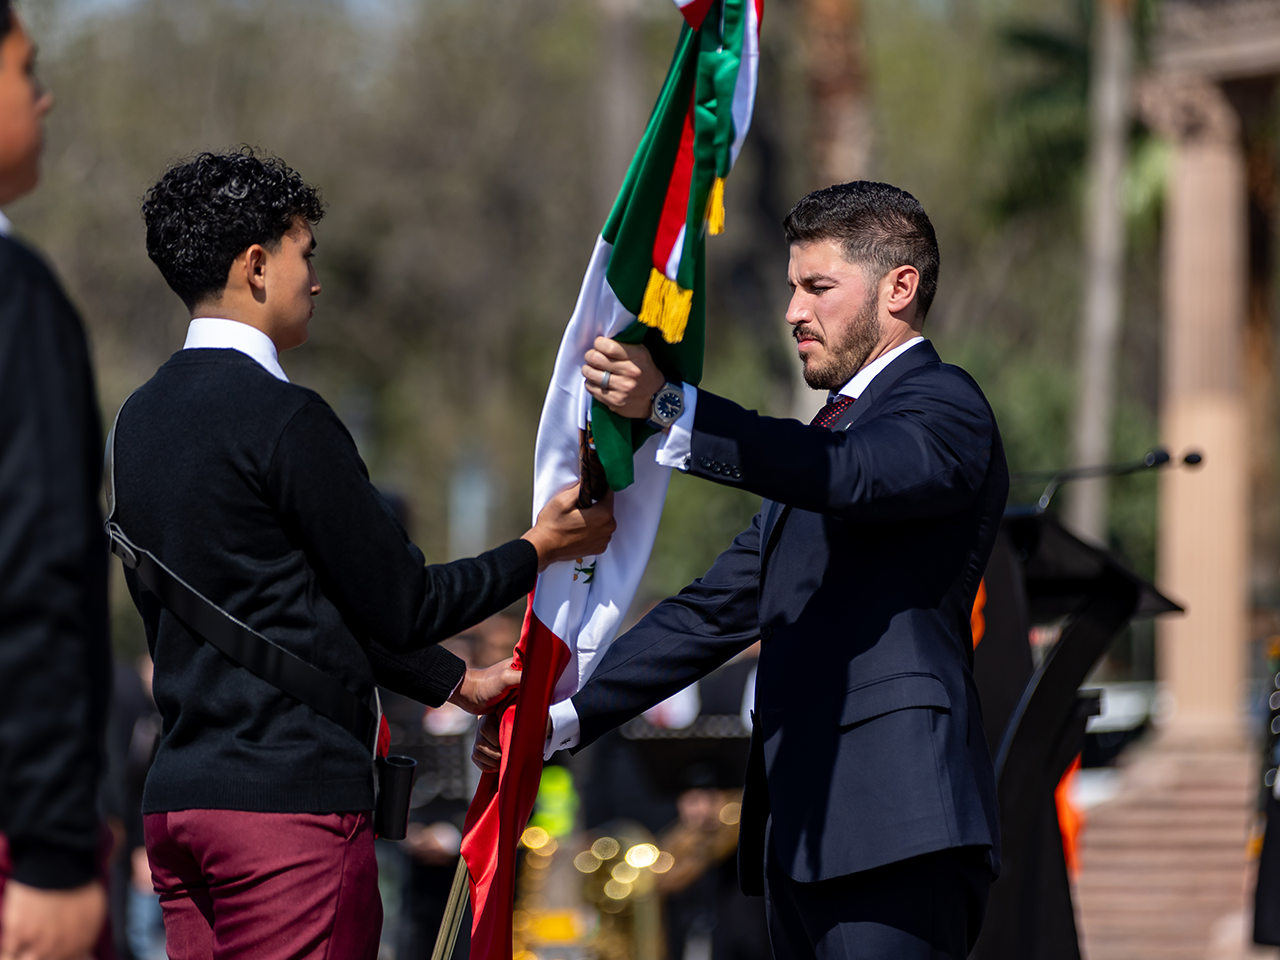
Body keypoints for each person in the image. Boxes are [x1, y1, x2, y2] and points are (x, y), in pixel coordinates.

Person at [479, 181, 1007, 960]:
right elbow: (708, 612)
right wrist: (560, 716)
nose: (794, 310)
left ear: (900, 287)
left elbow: (849, 474)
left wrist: (671, 408)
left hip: (897, 828)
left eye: (818, 287)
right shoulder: (824, 444)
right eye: (793, 287)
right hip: (798, 840)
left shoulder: (943, 403)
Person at [112, 148, 615, 960]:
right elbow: (405, 601)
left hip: (182, 804)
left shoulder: (139, 419)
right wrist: (540, 547)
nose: (315, 279)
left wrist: (454, 680)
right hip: (286, 812)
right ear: (255, 265)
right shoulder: (285, 418)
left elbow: (285, 601)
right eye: (305, 254)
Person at [0, 4, 113, 959]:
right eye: (24, 66)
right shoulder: (15, 298)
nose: (44, 93)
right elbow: (35, 572)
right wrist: (50, 854)